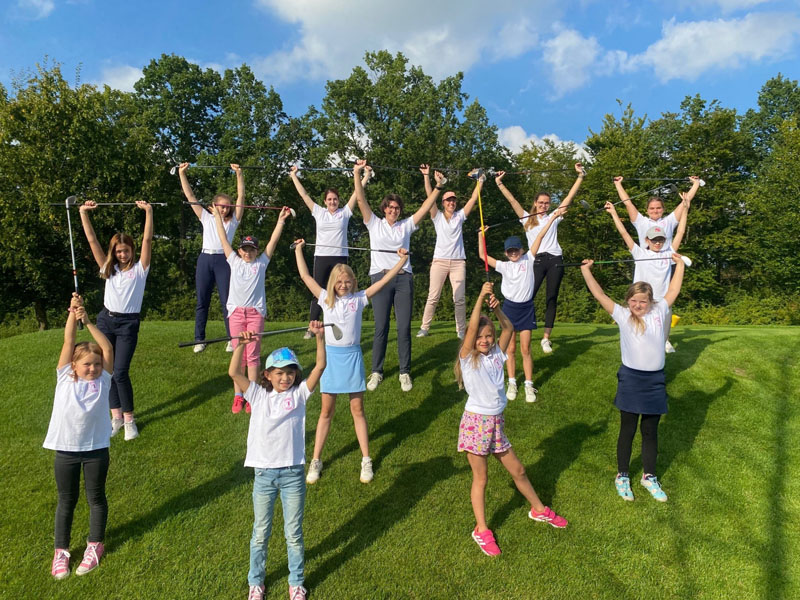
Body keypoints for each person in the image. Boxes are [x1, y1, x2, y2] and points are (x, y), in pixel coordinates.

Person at [455, 282, 567, 557]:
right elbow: (470, 331)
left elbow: (509, 329)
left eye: (488, 336)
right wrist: (480, 298)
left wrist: (498, 310)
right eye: (481, 337)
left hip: (495, 424)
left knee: (518, 470)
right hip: (475, 424)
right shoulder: (468, 358)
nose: (485, 340)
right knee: (481, 479)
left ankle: (538, 510)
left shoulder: (496, 354)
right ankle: (481, 529)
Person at [295, 239, 409, 484]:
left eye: (347, 281)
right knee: (326, 411)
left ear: (353, 282)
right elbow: (305, 276)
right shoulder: (325, 297)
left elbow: (384, 280)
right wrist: (298, 250)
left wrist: (402, 260)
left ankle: (366, 460)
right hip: (332, 360)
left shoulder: (359, 299)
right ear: (332, 283)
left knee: (357, 409)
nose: (343, 285)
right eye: (339, 281)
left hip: (353, 357)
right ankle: (316, 460)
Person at [229, 324, 326, 600]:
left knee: (293, 533)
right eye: (280, 373)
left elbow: (320, 366)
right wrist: (240, 345)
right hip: (264, 476)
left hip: (293, 474)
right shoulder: (258, 396)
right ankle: (255, 583)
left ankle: (296, 582)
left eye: (290, 372)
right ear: (268, 375)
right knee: (260, 533)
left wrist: (320, 337)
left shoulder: (299, 395)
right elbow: (234, 373)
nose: (285, 377)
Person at [580, 252, 686, 503]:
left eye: (643, 301)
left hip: (655, 381)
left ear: (651, 301)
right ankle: (623, 475)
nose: (638, 305)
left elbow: (674, 288)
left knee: (650, 431)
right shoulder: (622, 315)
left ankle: (649, 476)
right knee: (627, 429)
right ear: (628, 301)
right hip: (631, 379)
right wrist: (586, 271)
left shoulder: (660, 311)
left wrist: (679, 265)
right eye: (634, 301)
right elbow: (600, 295)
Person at [353, 159, 444, 392]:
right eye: (390, 207)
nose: (394, 211)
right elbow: (360, 198)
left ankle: (404, 372)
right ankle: (377, 371)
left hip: (404, 279)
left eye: (397, 208)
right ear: (384, 209)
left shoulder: (405, 226)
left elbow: (425, 208)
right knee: (381, 327)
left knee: (404, 328)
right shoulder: (374, 223)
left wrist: (437, 186)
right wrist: (357, 173)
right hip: (380, 279)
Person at [45, 294, 114, 579]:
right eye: (86, 364)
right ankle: (61, 551)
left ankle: (94, 545)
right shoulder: (65, 378)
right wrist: (73, 315)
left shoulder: (104, 380)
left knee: (96, 497)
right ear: (74, 365)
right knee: (67, 500)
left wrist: (89, 321)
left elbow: (107, 348)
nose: (92, 368)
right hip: (66, 450)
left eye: (95, 364)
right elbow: (67, 341)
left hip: (96, 449)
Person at [79, 199, 153, 440]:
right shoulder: (107, 268)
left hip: (128, 324)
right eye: (118, 251)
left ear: (132, 250)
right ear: (114, 252)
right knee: (106, 371)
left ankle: (130, 420)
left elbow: (147, 240)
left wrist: (149, 212)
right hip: (105, 321)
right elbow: (92, 241)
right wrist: (84, 213)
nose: (122, 254)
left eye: (126, 250)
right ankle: (116, 418)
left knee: (120, 371)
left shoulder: (140, 269)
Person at [478, 205, 567, 403]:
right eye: (509, 251)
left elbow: (541, 235)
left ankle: (528, 384)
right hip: (509, 309)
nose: (513, 253)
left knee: (525, 349)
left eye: (516, 250)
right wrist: (480, 235)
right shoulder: (504, 266)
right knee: (509, 349)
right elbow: (483, 256)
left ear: (521, 249)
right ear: (506, 253)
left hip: (526, 308)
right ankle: (511, 382)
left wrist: (552, 218)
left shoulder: (529, 258)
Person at [494, 163, 584, 354]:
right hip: (535, 261)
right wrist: (500, 184)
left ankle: (545, 338)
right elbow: (512, 201)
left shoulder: (554, 216)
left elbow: (569, 197)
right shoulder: (527, 218)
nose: (544, 206)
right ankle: (512, 330)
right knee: (527, 296)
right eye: (541, 202)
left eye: (547, 203)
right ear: (535, 202)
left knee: (551, 297)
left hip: (555, 260)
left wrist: (580, 177)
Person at [213, 204, 293, 414]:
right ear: (239, 250)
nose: (248, 253)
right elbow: (223, 239)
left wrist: (281, 220)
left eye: (252, 249)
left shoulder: (261, 263)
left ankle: (252, 395)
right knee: (239, 356)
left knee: (253, 357)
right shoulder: (234, 261)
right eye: (245, 249)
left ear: (256, 251)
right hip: (237, 313)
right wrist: (217, 219)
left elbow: (273, 242)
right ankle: (238, 396)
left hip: (255, 313)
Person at [289, 165, 373, 337]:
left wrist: (366, 175)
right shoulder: (319, 212)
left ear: (338, 201)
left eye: (335, 199)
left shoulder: (345, 213)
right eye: (329, 199)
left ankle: (342, 322)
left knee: (341, 291)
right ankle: (311, 327)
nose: (332, 202)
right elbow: (304, 195)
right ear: (325, 201)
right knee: (317, 292)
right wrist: (294, 176)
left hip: (340, 258)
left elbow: (357, 194)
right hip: (321, 257)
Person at [606, 194, 689, 352]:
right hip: (642, 300)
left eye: (660, 239)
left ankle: (663, 344)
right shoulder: (639, 253)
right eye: (654, 239)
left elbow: (681, 232)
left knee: (661, 331)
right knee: (638, 331)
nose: (657, 242)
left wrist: (684, 209)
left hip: (662, 300)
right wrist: (614, 214)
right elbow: (624, 234)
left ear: (664, 240)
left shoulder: (669, 253)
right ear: (647, 240)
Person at [179, 162, 245, 353]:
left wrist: (239, 174)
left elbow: (241, 196)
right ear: (213, 206)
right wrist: (182, 174)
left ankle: (231, 339)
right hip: (205, 260)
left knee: (227, 301)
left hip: (224, 261)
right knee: (202, 301)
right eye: (220, 207)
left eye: (226, 207)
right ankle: (199, 339)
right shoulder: (206, 217)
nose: (223, 210)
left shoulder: (233, 222)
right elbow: (190, 196)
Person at [416, 164, 484, 340]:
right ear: (443, 203)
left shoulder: (460, 216)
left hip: (458, 263)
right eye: (448, 200)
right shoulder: (437, 216)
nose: (451, 202)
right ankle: (424, 328)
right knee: (433, 297)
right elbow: (430, 197)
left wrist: (480, 183)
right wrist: (427, 176)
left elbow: (473, 199)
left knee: (459, 299)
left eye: (453, 200)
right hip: (439, 262)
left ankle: (461, 331)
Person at [613, 175, 701, 249]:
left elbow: (685, 201)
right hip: (646, 263)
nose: (655, 211)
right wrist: (618, 184)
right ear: (647, 210)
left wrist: (696, 184)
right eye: (652, 208)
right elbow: (628, 203)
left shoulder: (669, 221)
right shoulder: (641, 221)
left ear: (663, 209)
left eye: (658, 208)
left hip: (667, 263)